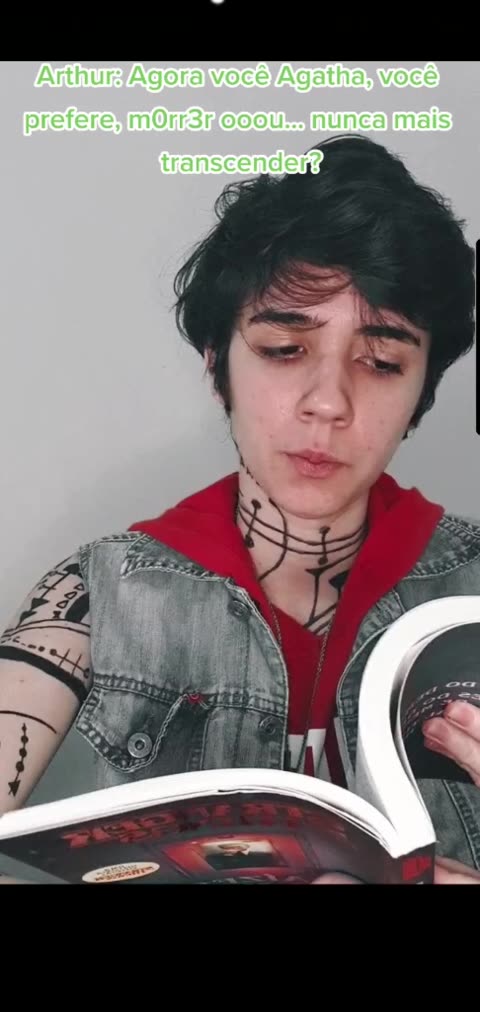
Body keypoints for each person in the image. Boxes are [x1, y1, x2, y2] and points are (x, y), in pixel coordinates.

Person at [1, 134, 479, 885]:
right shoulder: (99, 591)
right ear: (217, 363)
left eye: (383, 361)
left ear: (422, 392)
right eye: (284, 349)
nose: (329, 403)